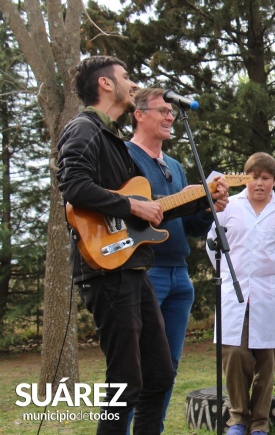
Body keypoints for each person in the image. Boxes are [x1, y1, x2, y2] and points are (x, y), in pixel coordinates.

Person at [57, 56, 180, 433]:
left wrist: (181, 204)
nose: (132, 83)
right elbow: (74, 187)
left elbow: (133, 213)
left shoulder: (111, 138)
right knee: (124, 380)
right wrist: (130, 204)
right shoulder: (84, 128)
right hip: (105, 270)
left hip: (132, 266)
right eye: (125, 77)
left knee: (158, 374)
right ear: (106, 84)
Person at [126, 87, 229, 430]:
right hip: (143, 271)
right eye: (163, 111)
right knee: (133, 366)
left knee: (166, 367)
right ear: (139, 114)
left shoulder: (175, 166)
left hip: (178, 276)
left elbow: (189, 227)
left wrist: (207, 207)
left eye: (173, 112)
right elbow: (125, 212)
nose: (171, 116)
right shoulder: (124, 156)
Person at [207, 152, 275, 435]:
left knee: (265, 360)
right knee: (235, 354)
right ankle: (238, 418)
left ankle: (259, 422)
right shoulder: (227, 207)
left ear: (274, 181)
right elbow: (213, 247)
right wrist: (231, 275)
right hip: (233, 291)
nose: (259, 183)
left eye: (265, 178)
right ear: (245, 178)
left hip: (267, 293)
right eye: (254, 177)